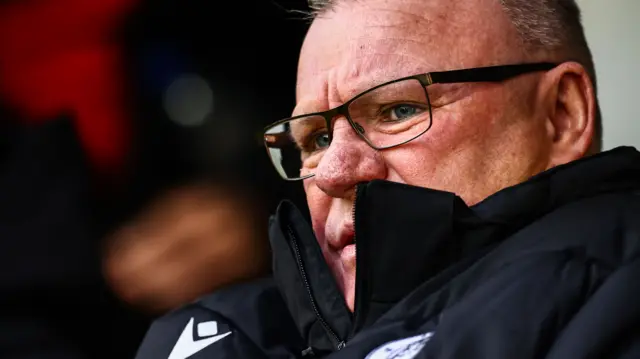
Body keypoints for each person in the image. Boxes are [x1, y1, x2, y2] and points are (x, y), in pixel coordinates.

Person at [134, 0, 640, 358]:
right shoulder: (230, 332)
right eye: (313, 140)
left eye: (397, 109)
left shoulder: (614, 302)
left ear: (561, 113)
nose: (330, 173)